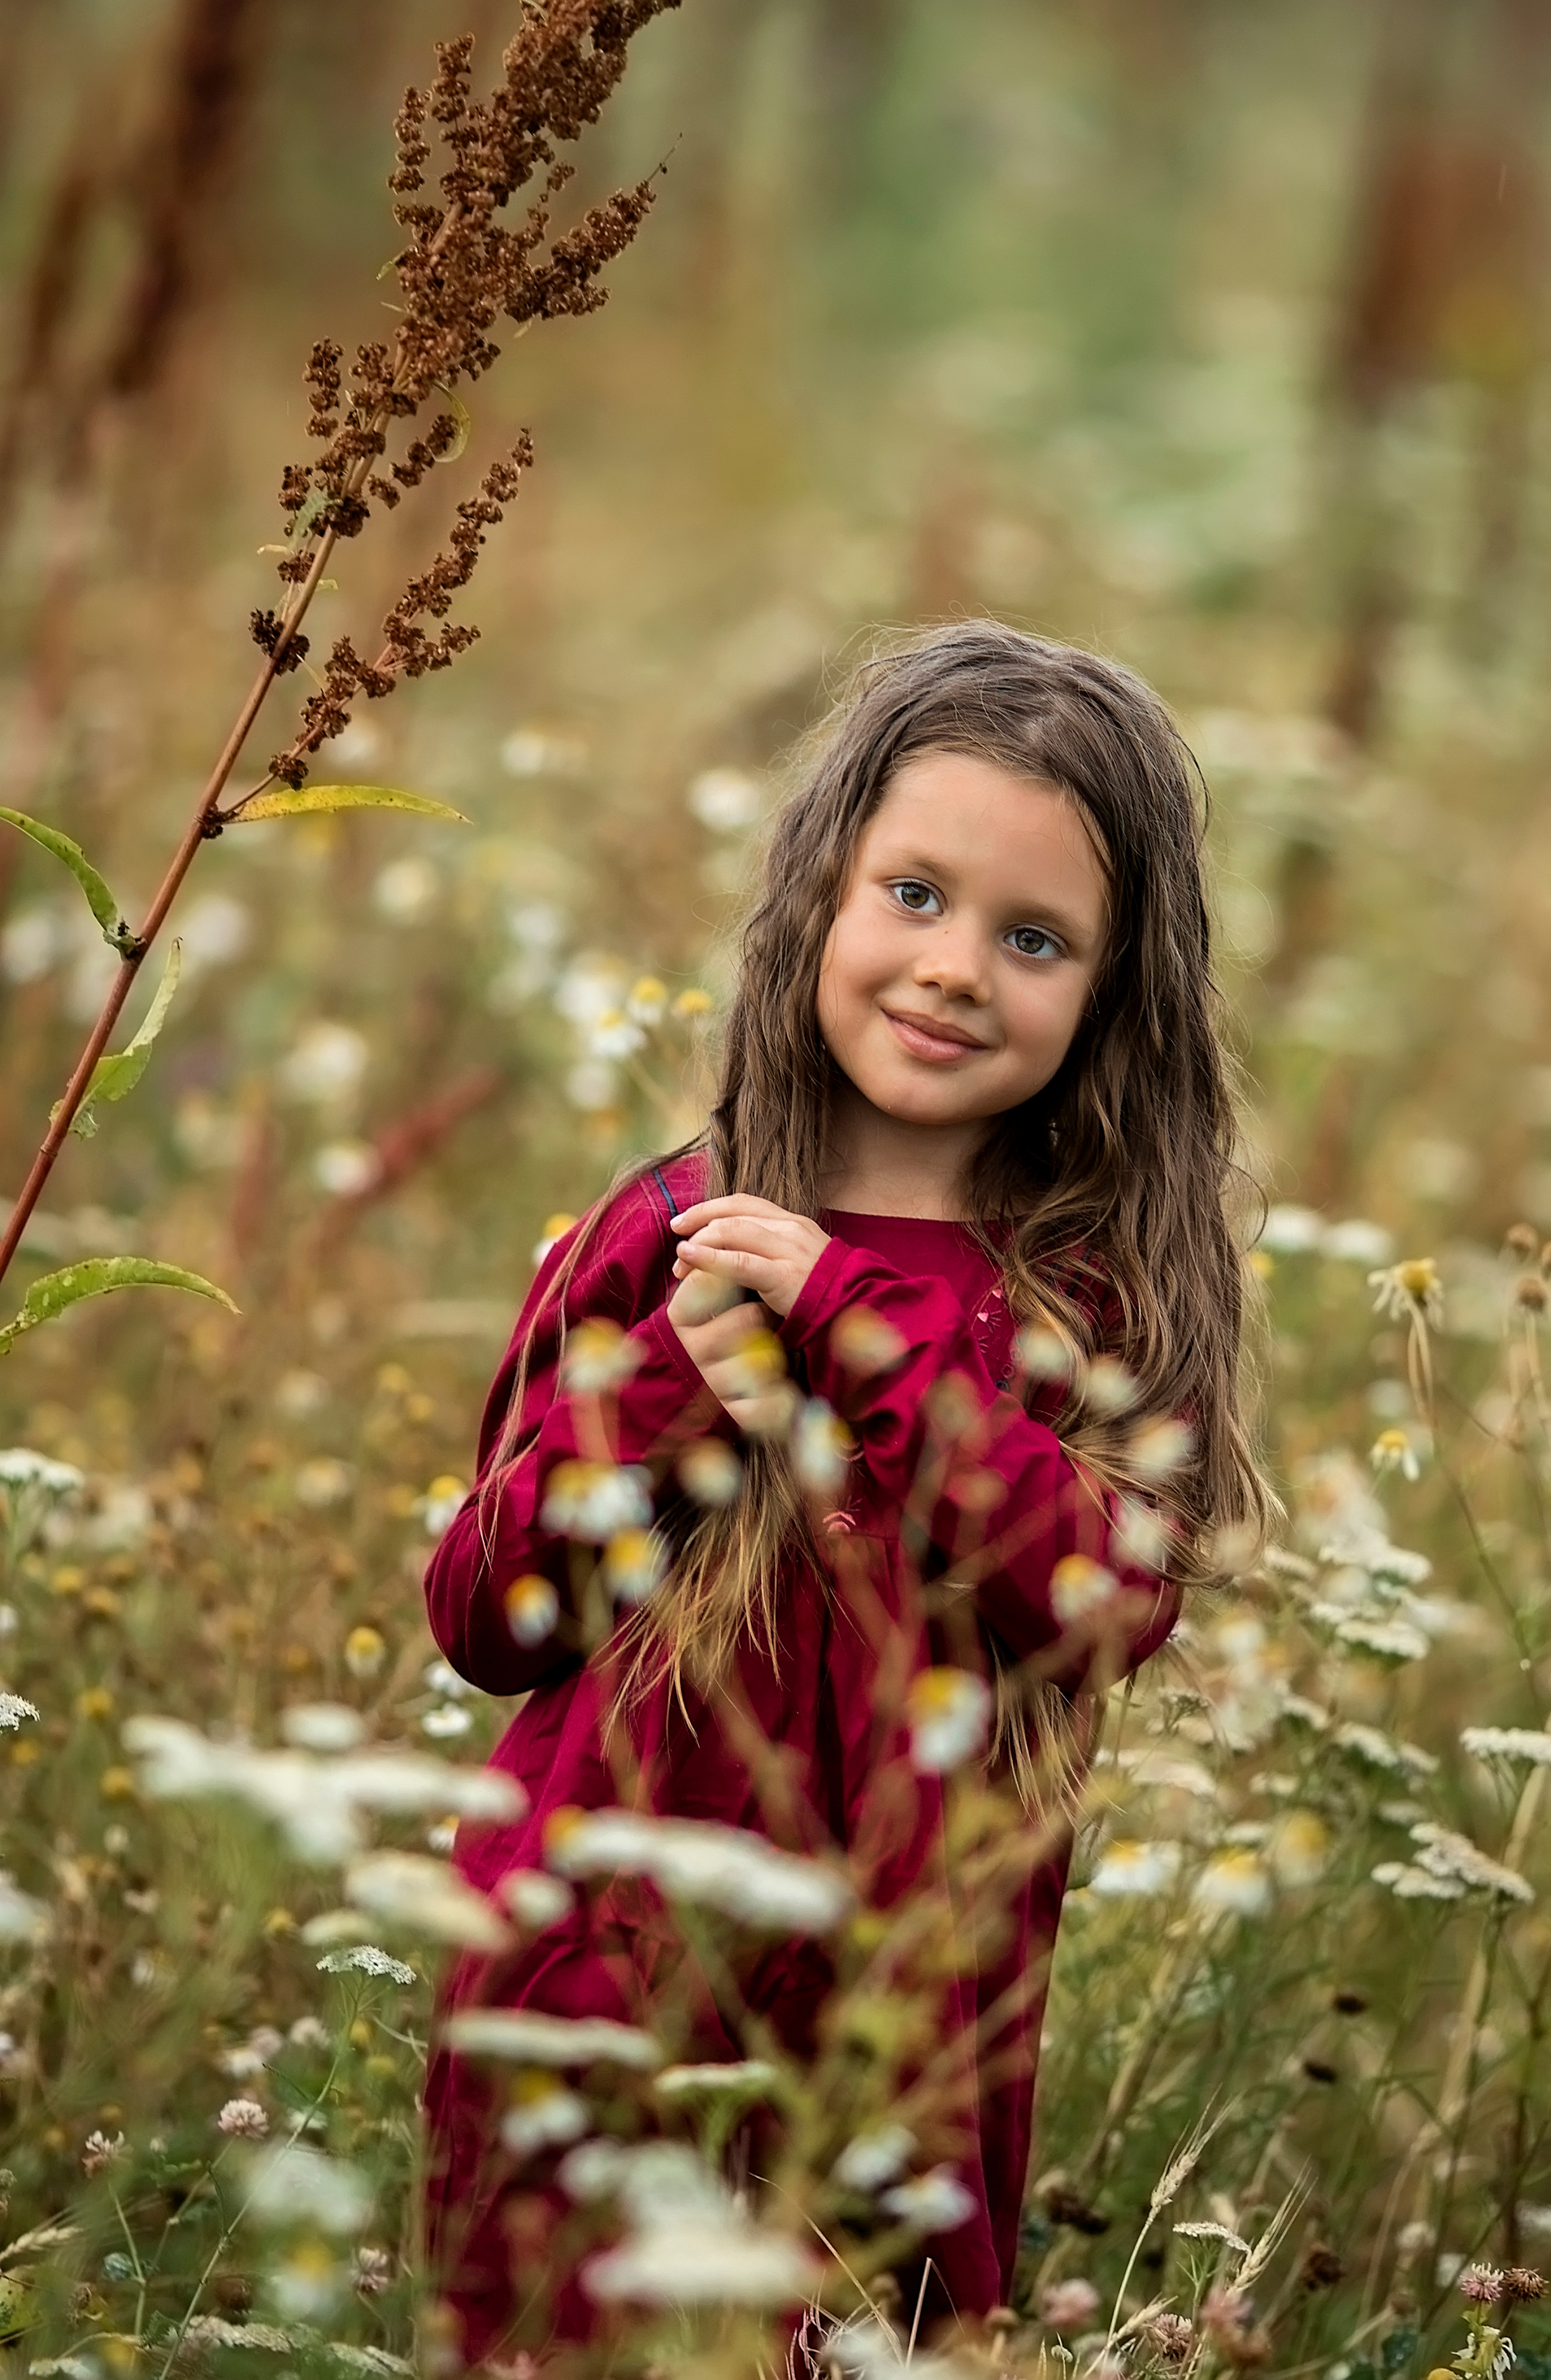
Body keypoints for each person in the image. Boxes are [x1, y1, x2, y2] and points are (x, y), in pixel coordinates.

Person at [421, 619, 1270, 2368]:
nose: (957, 968)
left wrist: (855, 1331)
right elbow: (486, 1616)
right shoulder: (665, 1234)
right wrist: (678, 1388)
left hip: (899, 2017)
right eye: (916, 895)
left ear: (1112, 997)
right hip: (603, 1977)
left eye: (1034, 939)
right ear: (820, 893)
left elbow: (1108, 1596)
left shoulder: (1081, 1301)